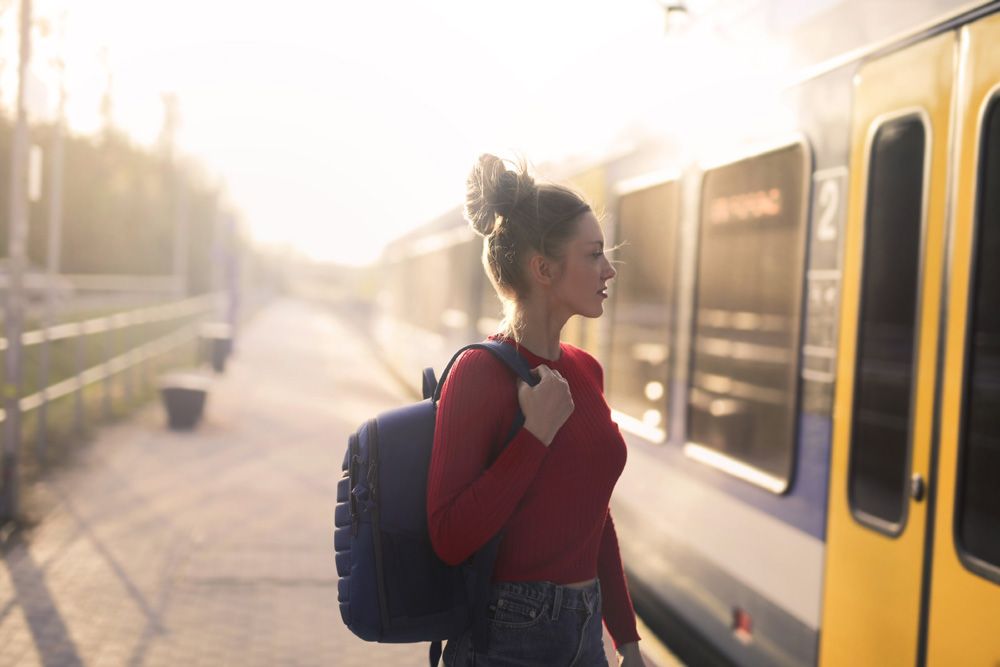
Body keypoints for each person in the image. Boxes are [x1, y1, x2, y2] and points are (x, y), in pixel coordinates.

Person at [427, 154, 647, 667]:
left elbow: (596, 517)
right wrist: (534, 437)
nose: (609, 269)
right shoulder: (479, 376)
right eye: (593, 255)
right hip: (509, 637)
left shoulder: (586, 372)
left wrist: (628, 641)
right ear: (543, 269)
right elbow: (448, 536)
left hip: (585, 631)